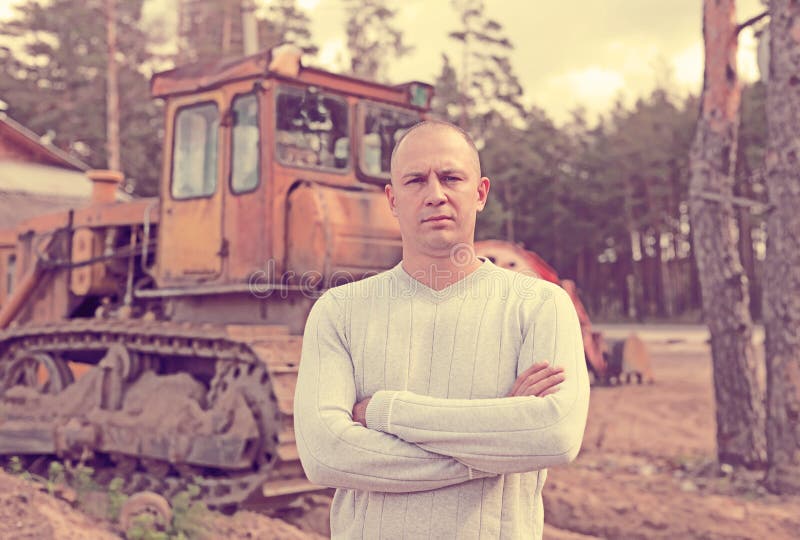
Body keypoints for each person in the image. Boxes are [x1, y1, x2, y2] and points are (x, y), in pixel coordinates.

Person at [294, 120, 590, 539]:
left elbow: (553, 436)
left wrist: (384, 412)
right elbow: (326, 455)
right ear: (393, 200)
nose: (435, 194)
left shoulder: (541, 305)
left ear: (480, 193)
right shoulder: (339, 312)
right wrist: (496, 445)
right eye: (416, 180)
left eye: (451, 177)